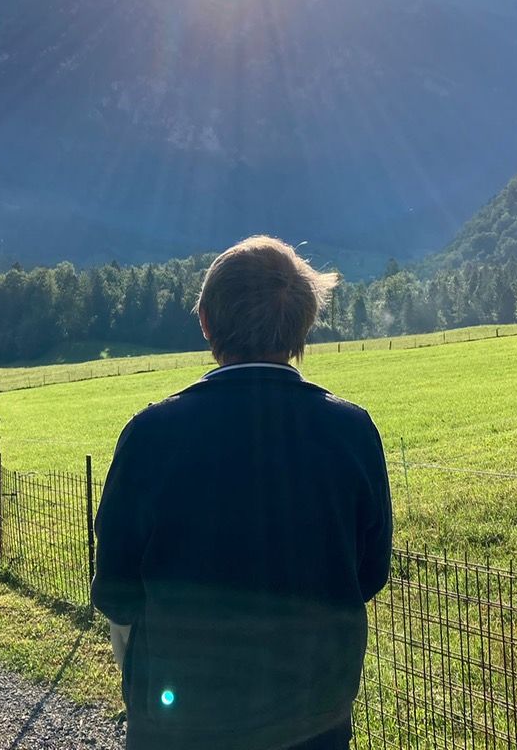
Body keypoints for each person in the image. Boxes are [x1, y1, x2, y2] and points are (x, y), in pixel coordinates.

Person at [92, 235, 393, 750]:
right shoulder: (352, 431)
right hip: (314, 717)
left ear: (206, 320)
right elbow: (367, 575)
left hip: (179, 720)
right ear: (305, 321)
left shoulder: (151, 434)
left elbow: (116, 588)